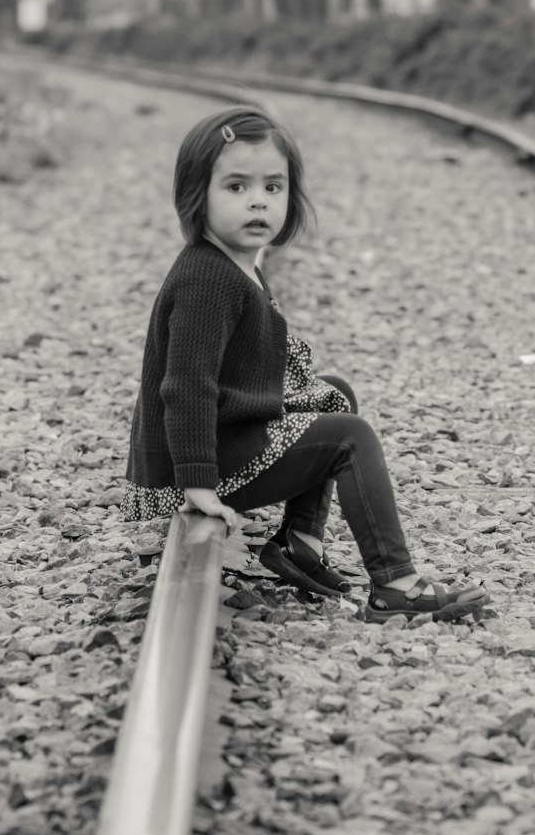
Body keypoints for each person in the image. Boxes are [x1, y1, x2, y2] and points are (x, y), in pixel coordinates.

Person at [122, 105, 489, 624]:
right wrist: (198, 486)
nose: (258, 201)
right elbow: (185, 388)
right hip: (211, 456)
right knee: (350, 435)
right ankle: (395, 585)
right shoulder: (207, 280)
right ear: (195, 196)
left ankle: (300, 545)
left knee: (333, 392)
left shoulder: (234, 263)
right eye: (236, 187)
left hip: (227, 433)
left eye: (273, 188)